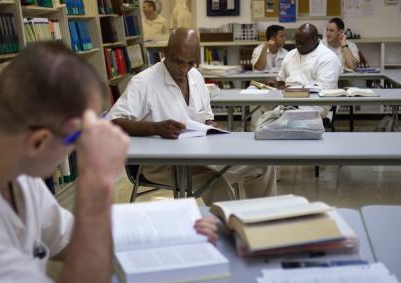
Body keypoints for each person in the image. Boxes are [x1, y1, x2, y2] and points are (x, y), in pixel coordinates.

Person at [0, 42, 217, 283]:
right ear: (39, 142)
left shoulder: (5, 159)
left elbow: (71, 238)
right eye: (80, 138)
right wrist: (96, 184)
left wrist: (174, 232)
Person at [109, 28, 277, 205]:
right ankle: (230, 230)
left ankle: (262, 222)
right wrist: (156, 128)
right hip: (161, 165)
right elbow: (113, 123)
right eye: (178, 62)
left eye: (190, 63)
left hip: (202, 156)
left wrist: (210, 125)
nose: (183, 69)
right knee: (215, 182)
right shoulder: (143, 82)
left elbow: (206, 117)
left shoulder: (195, 76)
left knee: (262, 164)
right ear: (164, 53)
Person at [277, 23, 341, 118]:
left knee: (289, 121)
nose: (298, 46)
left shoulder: (328, 58)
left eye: (302, 43)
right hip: (288, 102)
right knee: (265, 118)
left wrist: (293, 90)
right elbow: (281, 81)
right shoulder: (290, 55)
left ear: (314, 40)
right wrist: (276, 84)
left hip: (314, 105)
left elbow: (324, 91)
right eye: (296, 42)